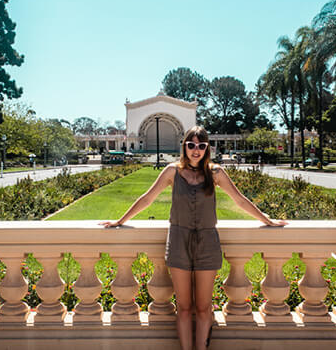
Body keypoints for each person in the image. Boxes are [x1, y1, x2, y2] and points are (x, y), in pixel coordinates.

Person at [100, 126, 287, 350]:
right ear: (184, 147)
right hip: (178, 240)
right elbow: (147, 198)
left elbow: (239, 199)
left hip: (208, 242)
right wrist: (120, 221)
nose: (195, 150)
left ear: (207, 148)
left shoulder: (215, 173)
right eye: (191, 145)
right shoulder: (172, 171)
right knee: (184, 307)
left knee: (204, 307)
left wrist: (266, 220)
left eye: (201, 145)